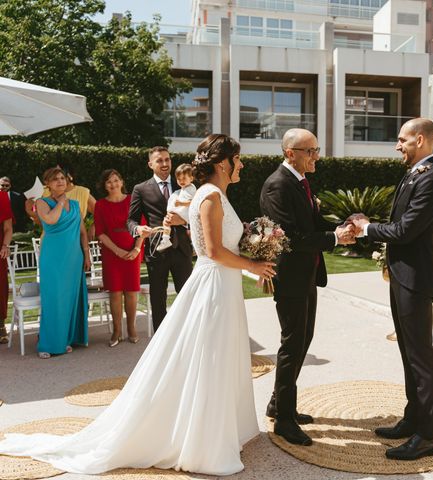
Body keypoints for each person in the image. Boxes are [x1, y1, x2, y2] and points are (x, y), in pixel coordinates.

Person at [0, 134, 276, 476]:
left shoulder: (214, 194)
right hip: (213, 286)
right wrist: (253, 265)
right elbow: (214, 251)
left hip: (224, 284)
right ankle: (203, 439)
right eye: (239, 159)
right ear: (224, 163)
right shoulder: (209, 197)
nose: (243, 164)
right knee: (210, 356)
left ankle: (223, 427)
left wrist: (256, 244)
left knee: (222, 354)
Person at [348, 118, 433, 461]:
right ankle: (413, 418)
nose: (397, 146)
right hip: (403, 274)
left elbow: (406, 230)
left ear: (420, 140)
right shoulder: (417, 172)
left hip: (415, 277)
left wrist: (366, 228)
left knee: (421, 356)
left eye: (402, 140)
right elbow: (401, 224)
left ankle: (428, 436)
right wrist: (371, 225)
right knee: (409, 352)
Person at [259, 128, 355, 446]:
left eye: (316, 149)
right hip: (289, 278)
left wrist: (342, 226)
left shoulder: (300, 182)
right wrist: (334, 239)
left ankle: (279, 403)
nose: (316, 156)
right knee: (291, 345)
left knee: (302, 341)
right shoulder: (277, 185)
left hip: (307, 276)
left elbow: (310, 226)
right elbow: (289, 238)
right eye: (310, 150)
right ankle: (284, 419)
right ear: (291, 153)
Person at [127, 147, 193, 332]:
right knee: (158, 299)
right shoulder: (140, 189)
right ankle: (160, 342)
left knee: (188, 296)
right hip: (157, 250)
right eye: (159, 161)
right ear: (150, 164)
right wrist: (138, 228)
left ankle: (189, 335)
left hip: (182, 249)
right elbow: (130, 220)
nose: (165, 164)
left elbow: (196, 210)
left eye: (167, 159)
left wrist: (184, 220)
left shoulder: (184, 183)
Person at [35, 167, 90, 359]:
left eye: (62, 179)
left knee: (70, 298)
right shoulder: (41, 202)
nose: (60, 182)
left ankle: (66, 339)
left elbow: (83, 232)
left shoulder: (75, 204)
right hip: (53, 258)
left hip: (74, 258)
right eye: (55, 179)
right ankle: (48, 344)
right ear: (48, 184)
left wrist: (87, 254)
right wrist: (62, 201)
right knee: (54, 299)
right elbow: (50, 220)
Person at [94, 169, 144, 347]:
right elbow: (100, 233)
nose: (113, 184)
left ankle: (131, 328)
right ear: (104, 185)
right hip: (111, 254)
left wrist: (137, 249)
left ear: (122, 182)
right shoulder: (100, 205)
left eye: (116, 180)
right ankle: (117, 330)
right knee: (115, 292)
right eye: (109, 182)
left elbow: (141, 228)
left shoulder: (133, 200)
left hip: (133, 253)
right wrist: (117, 251)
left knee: (131, 292)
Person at [157, 163, 196, 252]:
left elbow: (193, 202)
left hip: (185, 214)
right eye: (179, 179)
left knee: (190, 231)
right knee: (166, 222)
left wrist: (181, 203)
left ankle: (193, 245)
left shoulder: (191, 188)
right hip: (179, 213)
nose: (181, 181)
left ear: (191, 178)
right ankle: (166, 239)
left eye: (184, 178)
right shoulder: (182, 189)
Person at [0, 190, 13, 344]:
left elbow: (8, 227)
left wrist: (5, 245)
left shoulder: (2, 196)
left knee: (0, 287)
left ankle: (0, 325)